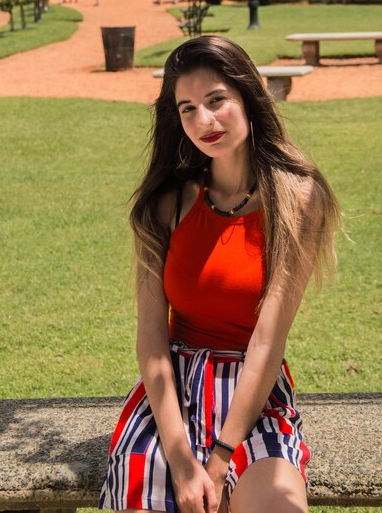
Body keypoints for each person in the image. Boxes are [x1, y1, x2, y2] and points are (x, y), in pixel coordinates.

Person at [98, 35, 341, 513]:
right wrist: (183, 459)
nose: (203, 121)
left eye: (216, 101)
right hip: (172, 400)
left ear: (248, 97)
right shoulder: (165, 204)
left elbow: (268, 342)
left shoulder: (298, 198)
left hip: (254, 401)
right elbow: (151, 339)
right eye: (188, 109)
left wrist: (221, 457)